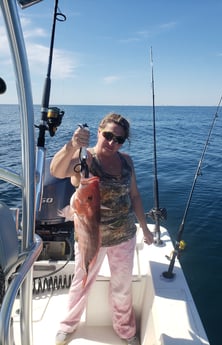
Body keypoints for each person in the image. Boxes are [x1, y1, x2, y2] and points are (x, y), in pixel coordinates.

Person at [50, 112, 154, 345]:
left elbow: (135, 196)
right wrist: (71, 145)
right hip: (89, 236)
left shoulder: (127, 161)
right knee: (82, 281)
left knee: (122, 288)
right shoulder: (84, 160)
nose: (112, 142)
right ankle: (68, 325)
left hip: (124, 235)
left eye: (119, 139)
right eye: (108, 135)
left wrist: (145, 229)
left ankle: (126, 331)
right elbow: (56, 171)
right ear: (98, 132)